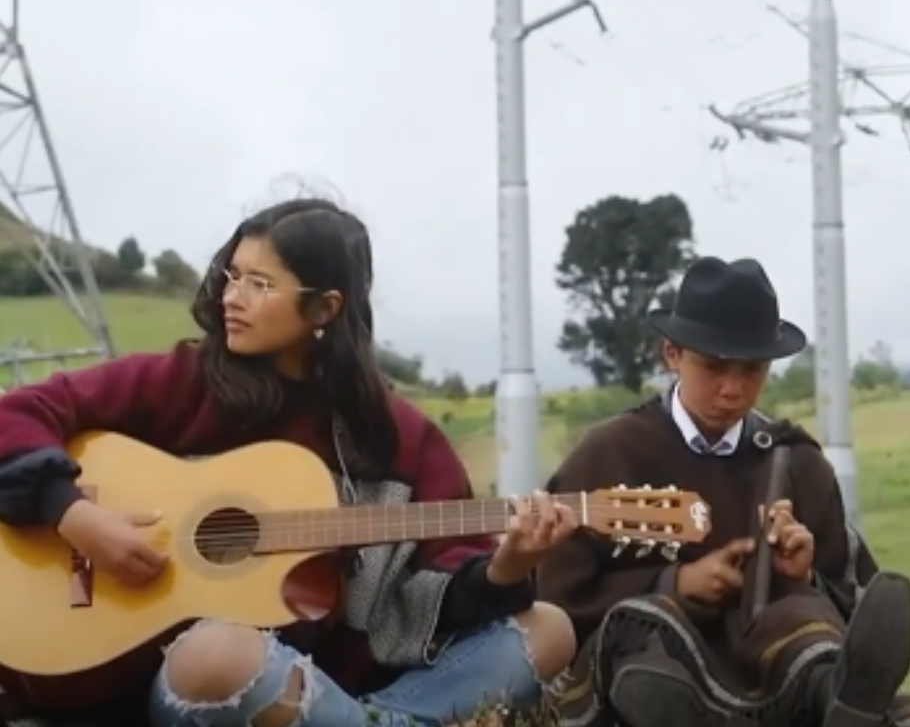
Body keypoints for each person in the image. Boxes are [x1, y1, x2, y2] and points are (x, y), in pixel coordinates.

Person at [0, 199, 578, 727]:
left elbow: (437, 586)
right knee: (218, 651)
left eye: (259, 284)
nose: (232, 296)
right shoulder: (184, 381)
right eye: (232, 276)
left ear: (324, 307)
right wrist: (73, 514)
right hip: (188, 683)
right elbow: (18, 411)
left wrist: (504, 569)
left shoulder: (400, 437)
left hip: (333, 690)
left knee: (547, 629)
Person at [536, 256, 910, 727]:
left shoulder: (797, 461)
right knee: (649, 643)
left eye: (753, 370)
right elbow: (556, 594)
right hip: (658, 661)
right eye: (714, 367)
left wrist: (803, 575)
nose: (733, 390)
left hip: (771, 657)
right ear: (671, 354)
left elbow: (851, 591)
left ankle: (836, 700)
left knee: (805, 620)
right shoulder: (608, 454)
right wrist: (671, 585)